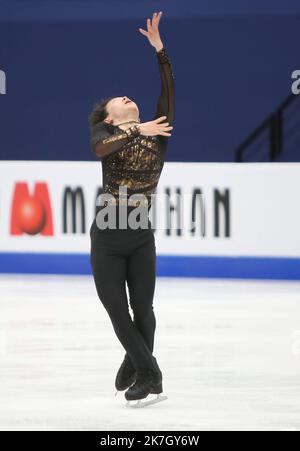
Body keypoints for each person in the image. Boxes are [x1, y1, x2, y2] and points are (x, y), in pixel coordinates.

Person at [89, 11, 175, 403]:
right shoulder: (105, 133)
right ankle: (149, 373)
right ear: (110, 116)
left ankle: (137, 360)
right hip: (107, 236)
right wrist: (135, 129)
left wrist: (160, 51)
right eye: (118, 100)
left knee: (144, 309)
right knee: (118, 311)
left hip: (140, 234)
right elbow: (100, 150)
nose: (127, 97)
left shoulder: (157, 133)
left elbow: (168, 94)